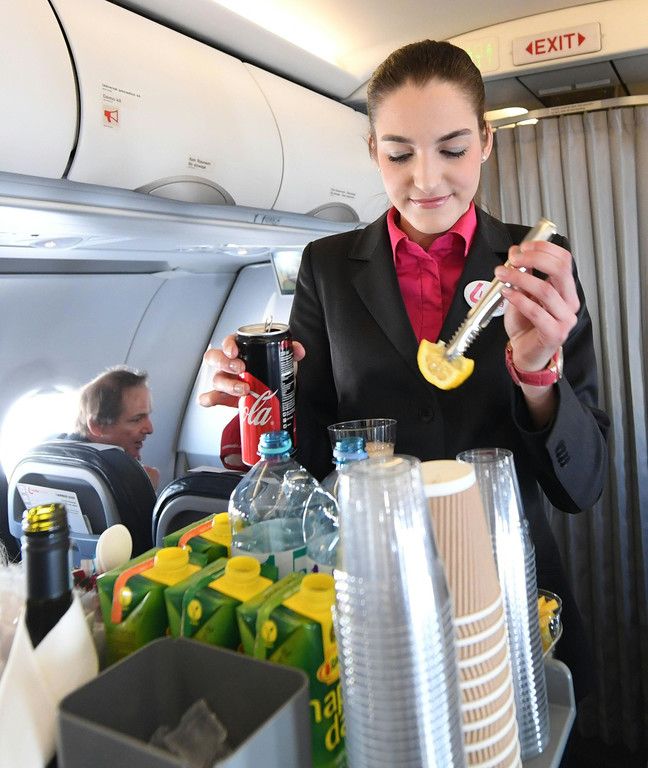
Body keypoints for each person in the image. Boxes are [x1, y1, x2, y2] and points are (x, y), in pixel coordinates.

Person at [200, 40, 609, 703]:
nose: (426, 180)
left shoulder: (537, 263)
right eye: (398, 154)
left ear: (485, 142)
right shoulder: (328, 267)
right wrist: (262, 401)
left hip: (507, 584)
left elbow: (583, 484)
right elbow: (312, 453)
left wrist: (538, 377)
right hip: (376, 592)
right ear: (372, 151)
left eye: (452, 149)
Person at [64, 366, 160, 490]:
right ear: (97, 425)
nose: (150, 429)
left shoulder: (55, 455)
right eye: (136, 419)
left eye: (147, 416)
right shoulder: (108, 478)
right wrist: (143, 487)